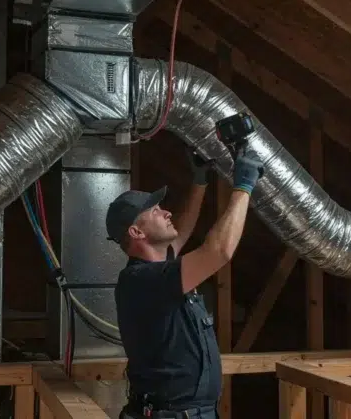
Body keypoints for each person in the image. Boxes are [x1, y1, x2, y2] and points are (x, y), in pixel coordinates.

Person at [106, 147, 265, 419]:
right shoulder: (142, 281)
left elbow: (181, 231)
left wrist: (200, 181)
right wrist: (243, 187)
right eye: (156, 211)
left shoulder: (158, 271)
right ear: (136, 232)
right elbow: (219, 251)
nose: (167, 213)